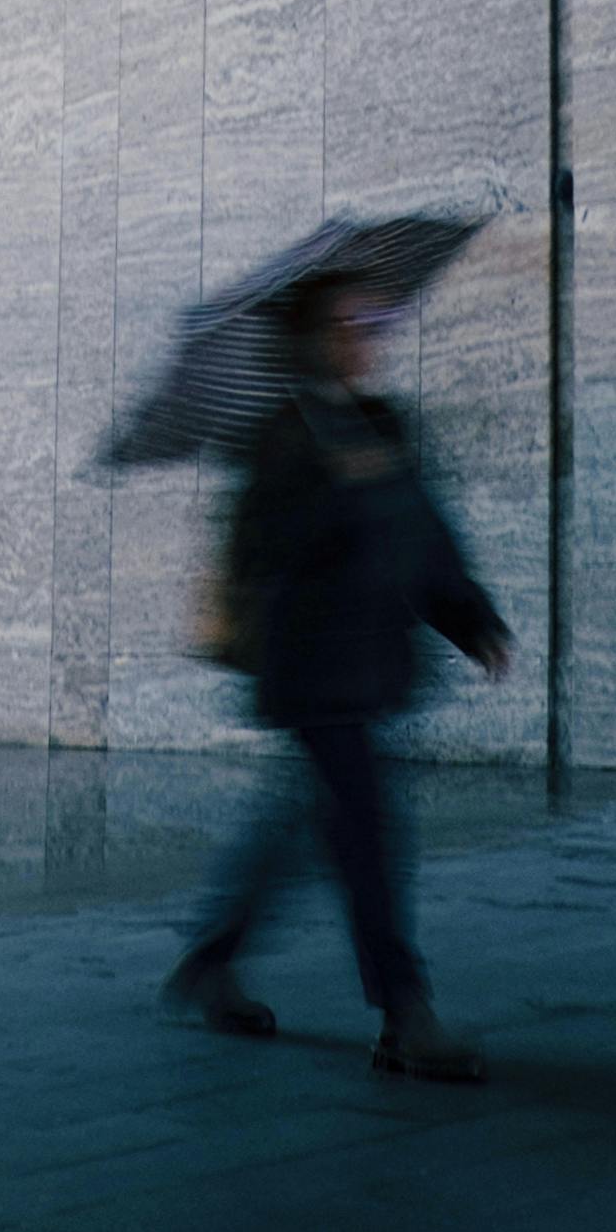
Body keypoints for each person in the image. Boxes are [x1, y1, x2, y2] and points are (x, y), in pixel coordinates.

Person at [166, 269, 511, 1081]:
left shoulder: (383, 422)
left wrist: (469, 618)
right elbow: (260, 554)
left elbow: (423, 536)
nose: (366, 338)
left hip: (370, 663)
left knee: (301, 821)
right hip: (312, 669)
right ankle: (404, 1013)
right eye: (349, 324)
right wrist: (330, 497)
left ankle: (211, 961)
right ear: (312, 339)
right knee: (366, 833)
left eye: (370, 322)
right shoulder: (278, 436)